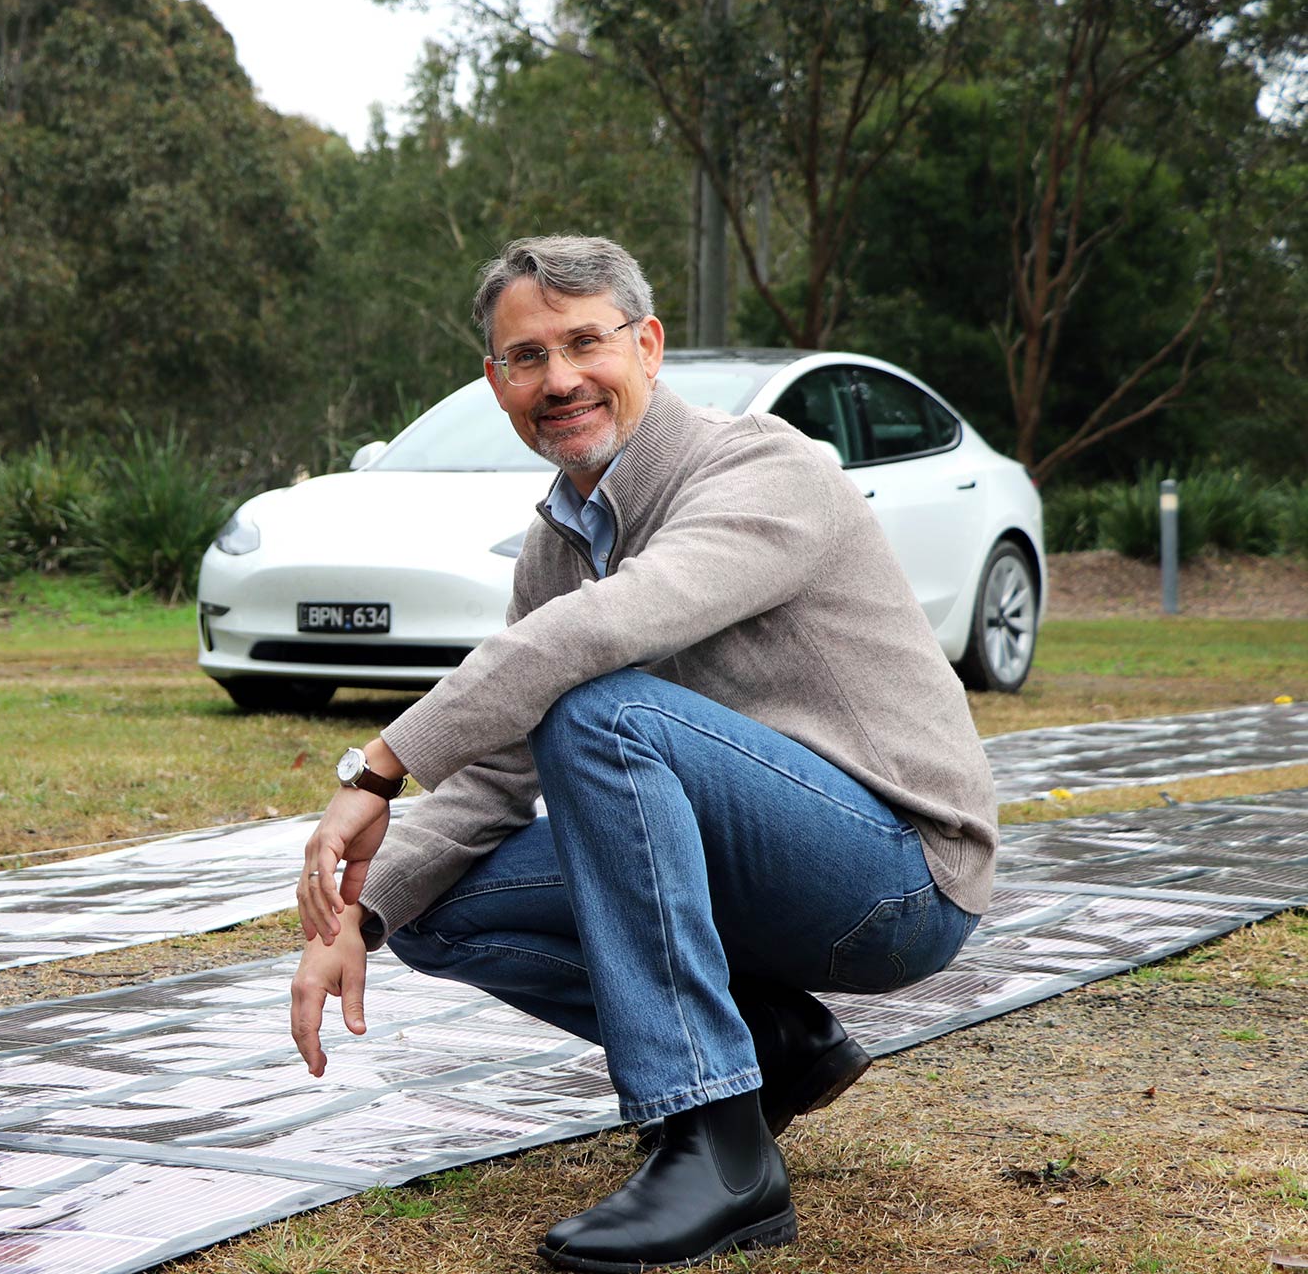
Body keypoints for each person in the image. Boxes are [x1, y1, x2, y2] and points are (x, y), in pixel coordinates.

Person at [289, 235, 996, 1271]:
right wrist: (353, 909)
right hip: (753, 863)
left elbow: (610, 629)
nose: (560, 378)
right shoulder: (560, 540)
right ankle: (766, 1043)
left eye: (586, 342)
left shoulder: (765, 465)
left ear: (649, 345)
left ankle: (719, 1148)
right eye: (526, 357)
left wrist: (383, 763)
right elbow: (493, 774)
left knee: (601, 712)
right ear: (497, 383)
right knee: (437, 900)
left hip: (896, 874)